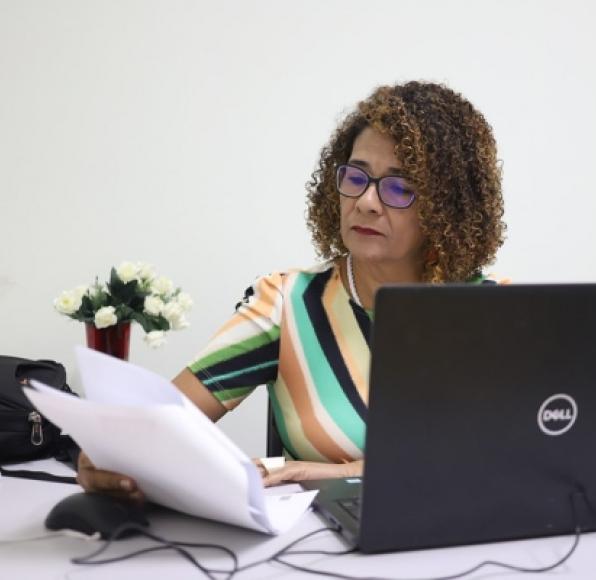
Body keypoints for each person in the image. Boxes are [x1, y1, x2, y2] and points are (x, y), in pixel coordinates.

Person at [77, 81, 507, 501]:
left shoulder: (494, 312)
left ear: (445, 208)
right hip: (317, 543)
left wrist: (332, 473)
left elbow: (509, 458)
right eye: (356, 177)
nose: (366, 201)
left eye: (399, 187)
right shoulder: (288, 302)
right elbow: (161, 425)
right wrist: (112, 449)